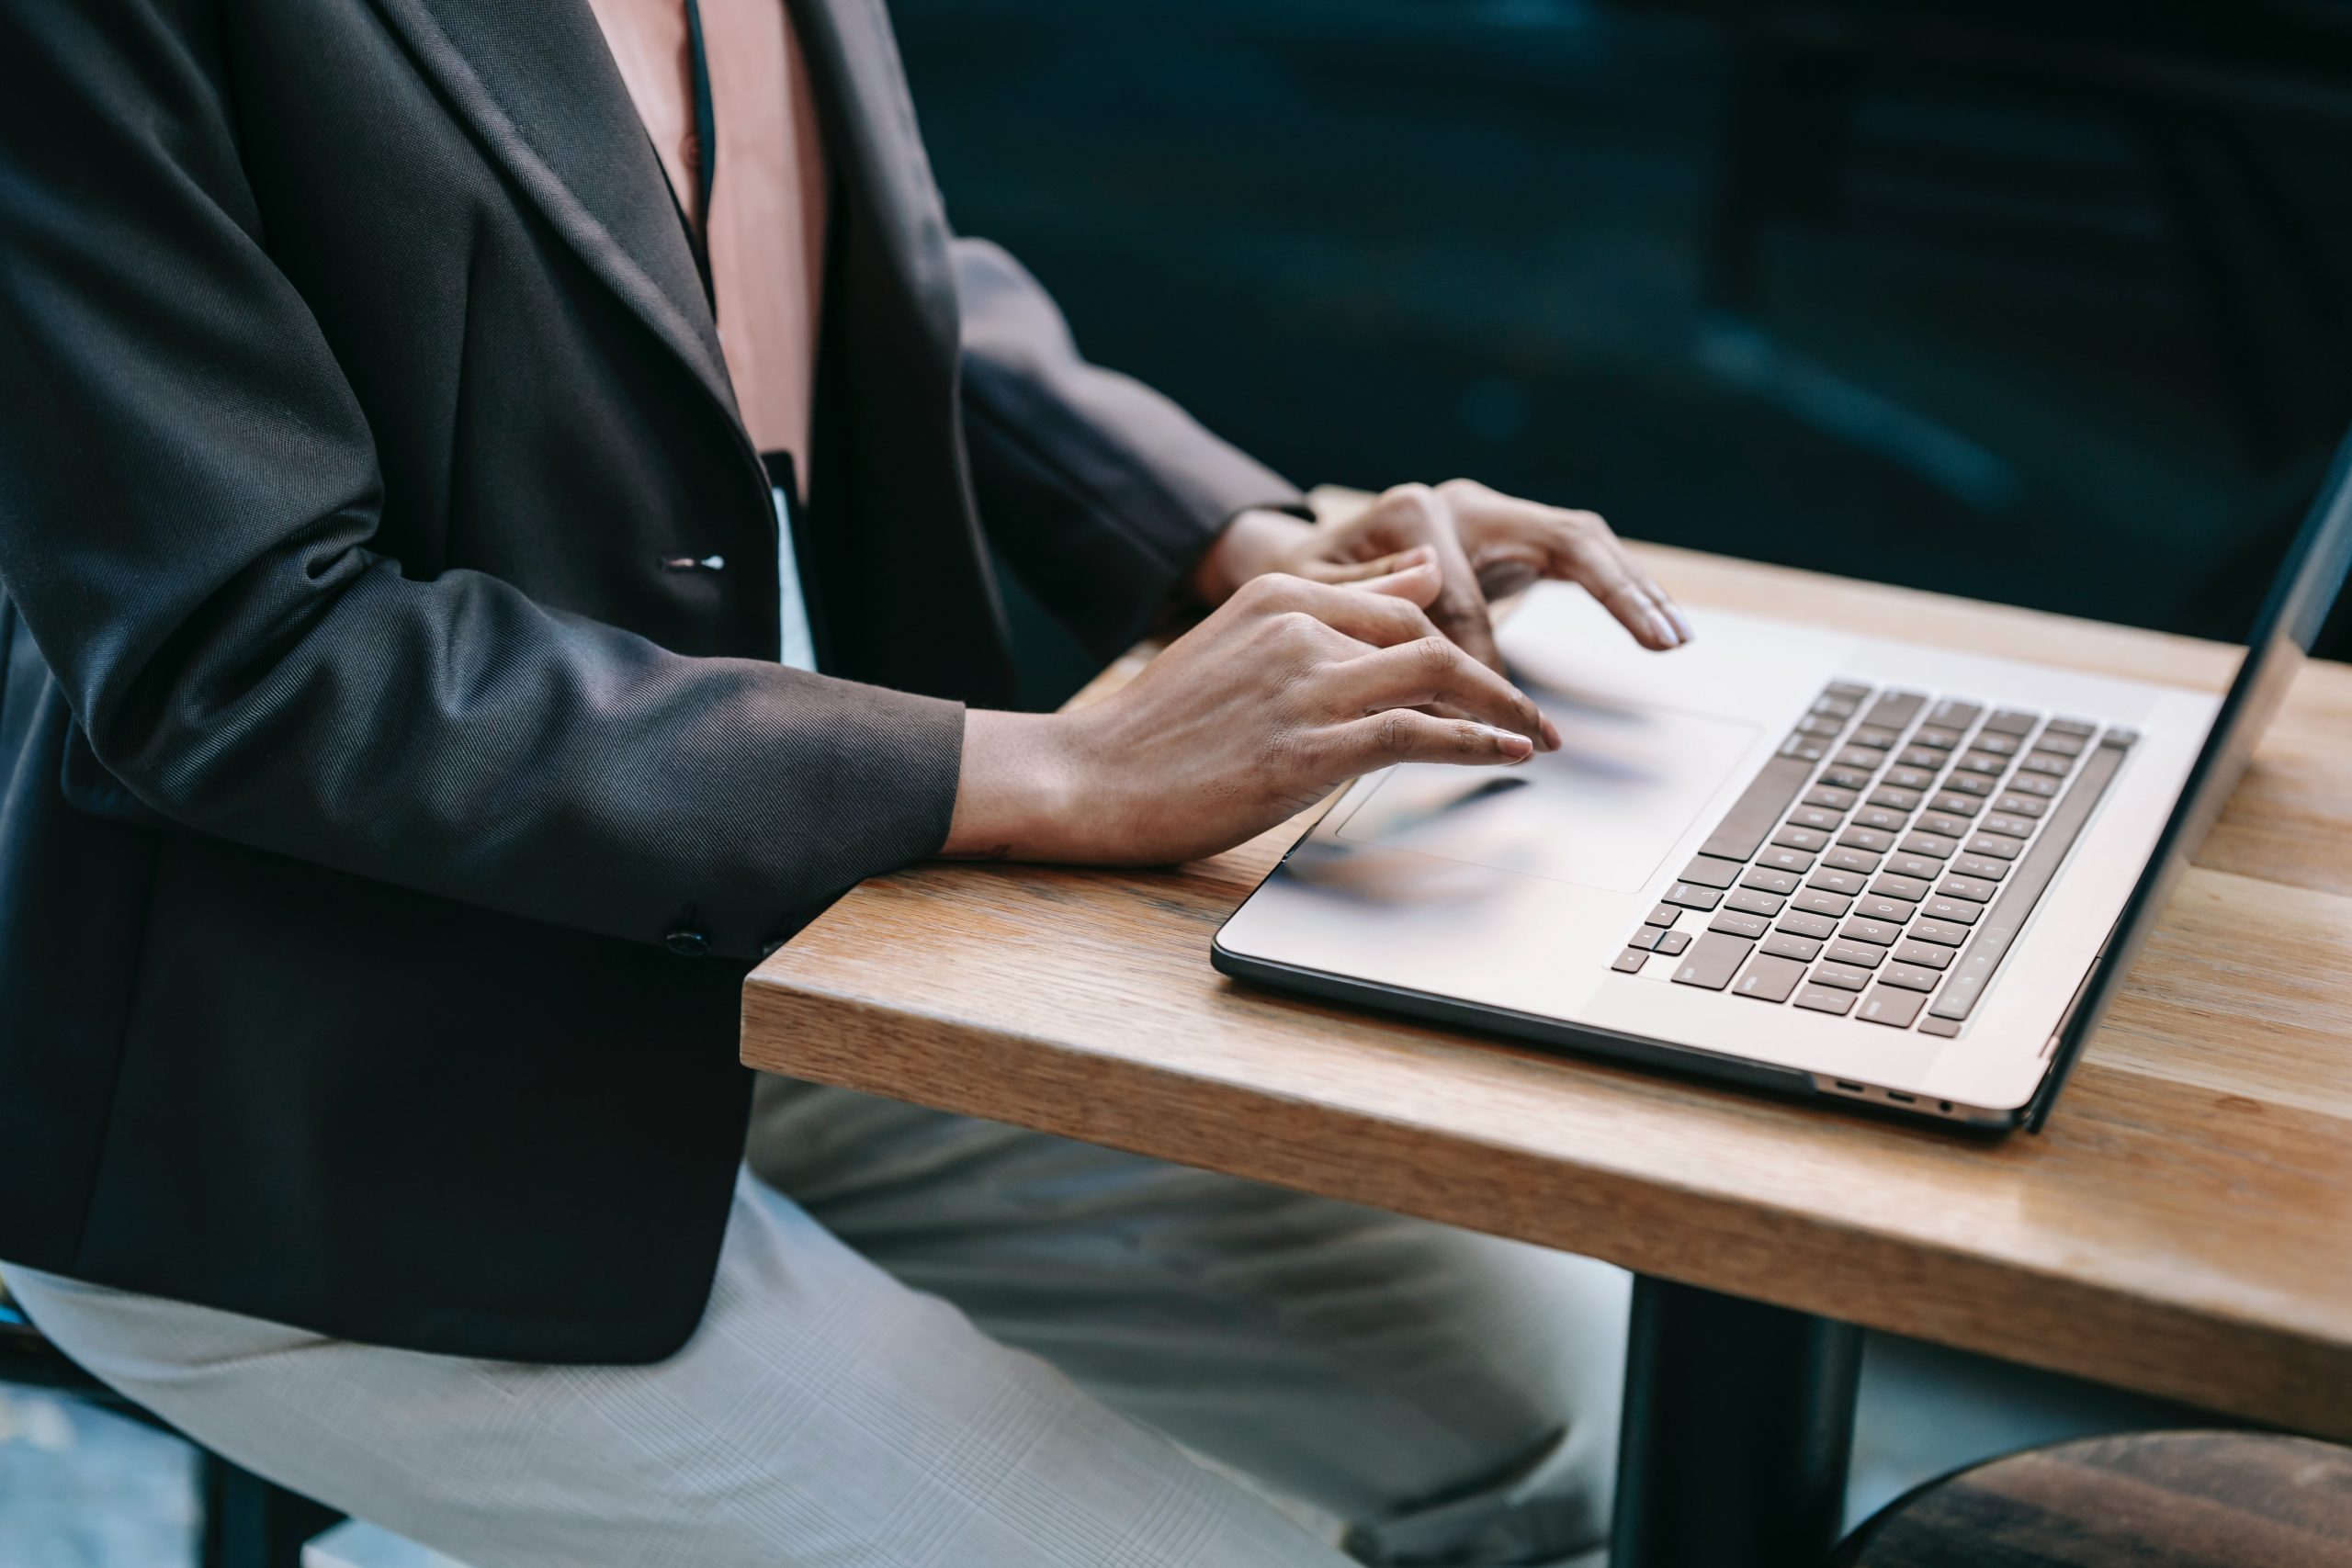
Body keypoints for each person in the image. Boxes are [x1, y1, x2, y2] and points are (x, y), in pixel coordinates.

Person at [0, 0, 1690, 1562]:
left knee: (1591, 1417)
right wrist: (1058, 771)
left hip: (788, 963)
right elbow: (249, 655)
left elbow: (834, 259)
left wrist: (1250, 547)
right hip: (311, 1094)